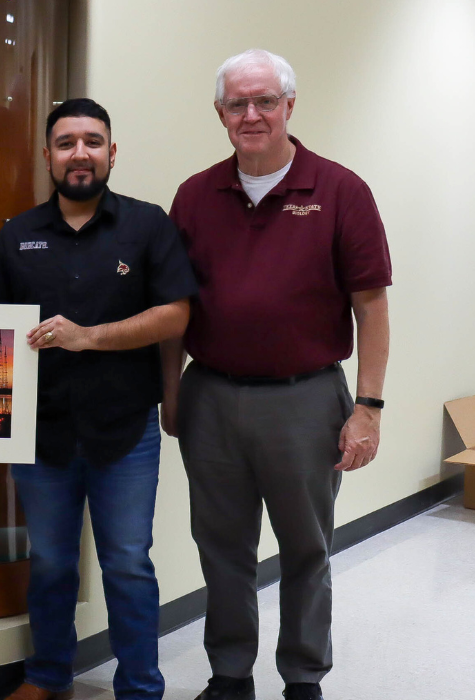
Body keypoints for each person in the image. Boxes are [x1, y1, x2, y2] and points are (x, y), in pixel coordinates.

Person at [162, 49, 391, 700]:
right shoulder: (196, 195)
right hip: (212, 397)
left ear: (291, 104)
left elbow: (372, 307)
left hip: (306, 399)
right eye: (238, 104)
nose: (252, 114)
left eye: (265, 100)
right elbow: (175, 311)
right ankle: (229, 676)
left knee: (306, 549)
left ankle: (302, 679)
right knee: (222, 549)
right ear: (220, 113)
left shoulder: (340, 190)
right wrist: (172, 393)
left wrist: (368, 407)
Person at [0, 98, 198, 700]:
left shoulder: (148, 226)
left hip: (125, 432)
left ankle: (141, 688)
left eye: (92, 142)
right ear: (47, 156)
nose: (80, 154)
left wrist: (88, 338)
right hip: (39, 436)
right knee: (49, 565)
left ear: (112, 153)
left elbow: (176, 314)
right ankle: (47, 677)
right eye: (66, 143)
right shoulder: (16, 236)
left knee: (127, 564)